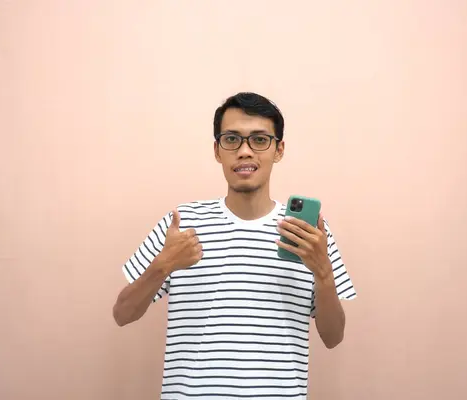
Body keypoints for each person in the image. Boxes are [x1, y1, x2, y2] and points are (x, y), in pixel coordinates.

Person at [112, 92, 357, 399]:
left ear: (279, 150)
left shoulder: (310, 234)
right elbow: (122, 314)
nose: (244, 151)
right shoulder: (181, 223)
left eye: (259, 140)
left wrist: (323, 274)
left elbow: (333, 337)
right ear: (217, 150)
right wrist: (163, 265)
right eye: (232, 140)